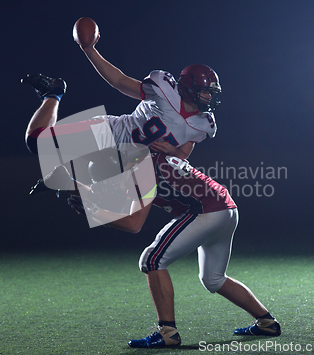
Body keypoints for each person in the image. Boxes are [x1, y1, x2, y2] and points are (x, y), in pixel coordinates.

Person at [67, 151, 282, 348]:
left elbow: (133, 224)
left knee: (151, 260)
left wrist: (94, 212)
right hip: (226, 208)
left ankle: (167, 333)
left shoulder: (140, 173)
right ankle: (267, 323)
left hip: (205, 211)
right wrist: (72, 185)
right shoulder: (142, 161)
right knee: (213, 279)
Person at [22, 31, 221, 164]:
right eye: (206, 92)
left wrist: (172, 151)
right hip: (108, 134)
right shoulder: (163, 89)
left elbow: (182, 156)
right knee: (37, 143)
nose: (209, 97)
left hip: (130, 165)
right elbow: (119, 80)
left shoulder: (203, 125)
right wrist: (89, 49)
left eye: (212, 93)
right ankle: (54, 93)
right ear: (188, 88)